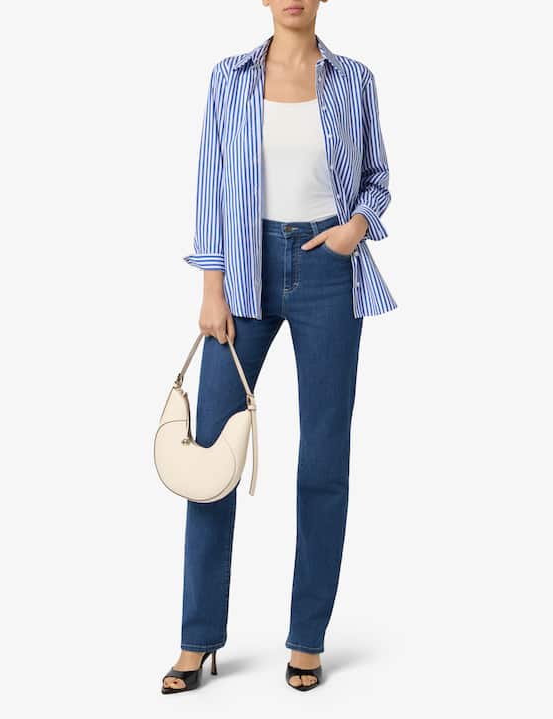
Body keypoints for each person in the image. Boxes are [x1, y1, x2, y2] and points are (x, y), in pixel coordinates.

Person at [162, 0, 397, 694]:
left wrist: (357, 226)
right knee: (212, 455)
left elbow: (378, 179)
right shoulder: (229, 78)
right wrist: (211, 287)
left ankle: (307, 639)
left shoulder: (354, 80)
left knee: (323, 457)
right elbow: (211, 186)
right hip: (243, 272)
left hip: (329, 268)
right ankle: (197, 638)